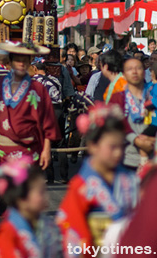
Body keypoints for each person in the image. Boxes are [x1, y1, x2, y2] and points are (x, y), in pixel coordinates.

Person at [57, 103, 138, 251]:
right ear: (92, 145)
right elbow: (73, 234)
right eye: (112, 147)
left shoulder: (131, 179)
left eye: (121, 146)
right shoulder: (81, 186)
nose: (118, 153)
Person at [0, 42, 60, 170]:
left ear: (30, 62)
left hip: (30, 148)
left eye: (25, 60)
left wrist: (46, 149)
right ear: (10, 61)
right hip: (4, 148)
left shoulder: (38, 88)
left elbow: (48, 121)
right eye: (18, 60)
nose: (21, 64)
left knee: (28, 188)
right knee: (8, 188)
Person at [0, 155, 61, 258]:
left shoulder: (47, 224)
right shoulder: (7, 233)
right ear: (21, 198)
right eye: (41, 192)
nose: (46, 197)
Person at [109, 56, 153, 168]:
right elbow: (115, 125)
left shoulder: (155, 95)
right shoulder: (117, 98)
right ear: (123, 74)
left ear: (144, 72)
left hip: (154, 157)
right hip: (126, 158)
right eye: (129, 69)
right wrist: (136, 140)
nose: (134, 72)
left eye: (138, 68)